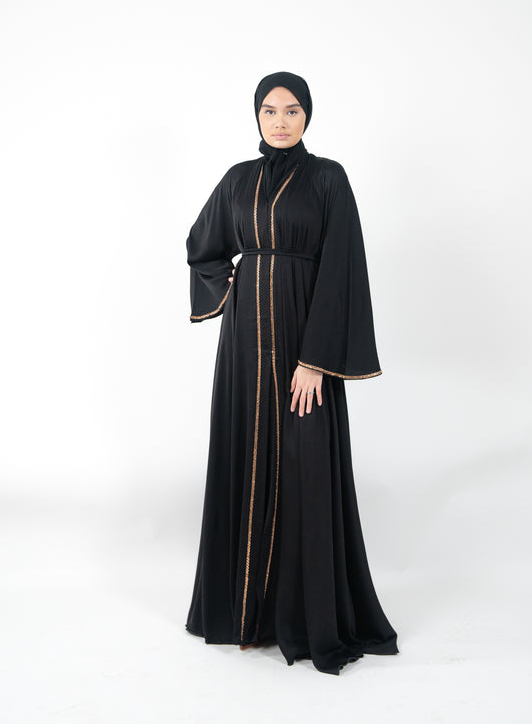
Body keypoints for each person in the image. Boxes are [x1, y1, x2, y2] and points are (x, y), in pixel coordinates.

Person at [185, 71, 399, 675]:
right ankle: (245, 615)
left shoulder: (328, 178)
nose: (280, 121)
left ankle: (303, 616)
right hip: (244, 345)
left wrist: (316, 360)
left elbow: (341, 267)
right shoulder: (237, 179)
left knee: (302, 465)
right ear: (256, 115)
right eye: (270, 110)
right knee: (246, 456)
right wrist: (225, 281)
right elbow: (202, 244)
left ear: (308, 116)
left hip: (305, 342)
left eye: (292, 110)